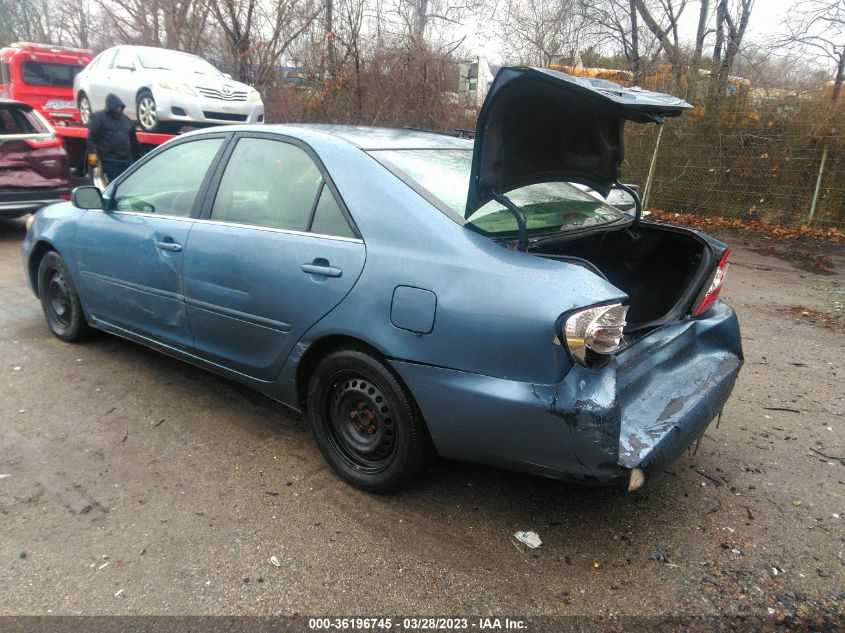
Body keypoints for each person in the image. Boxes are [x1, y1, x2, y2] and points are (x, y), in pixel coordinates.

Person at [86, 93, 141, 183]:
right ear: (110, 107)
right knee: (115, 184)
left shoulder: (126, 119)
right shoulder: (99, 117)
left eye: (120, 107)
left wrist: (138, 157)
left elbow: (133, 140)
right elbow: (91, 139)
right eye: (116, 107)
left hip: (127, 159)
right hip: (110, 161)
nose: (119, 109)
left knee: (130, 183)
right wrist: (92, 159)